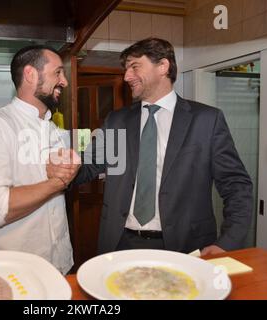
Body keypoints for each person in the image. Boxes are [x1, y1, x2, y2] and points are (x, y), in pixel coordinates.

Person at [47, 38, 253, 256]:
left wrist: (227, 242)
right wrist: (66, 168)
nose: (126, 77)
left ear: (163, 66)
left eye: (135, 67)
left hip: (186, 246)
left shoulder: (206, 120)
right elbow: (91, 165)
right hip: (121, 243)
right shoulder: (117, 120)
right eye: (126, 69)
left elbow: (236, 185)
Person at [0, 45, 80, 274]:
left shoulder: (53, 129)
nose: (64, 81)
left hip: (60, 266)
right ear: (30, 74)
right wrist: (58, 182)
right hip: (16, 275)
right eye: (58, 72)